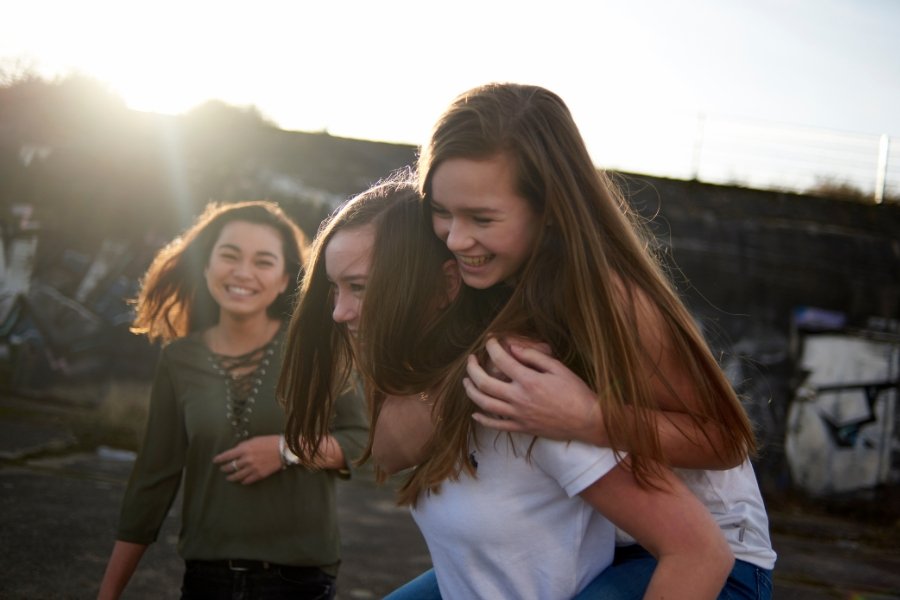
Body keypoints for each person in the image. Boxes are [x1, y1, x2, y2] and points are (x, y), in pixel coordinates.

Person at [378, 82, 776, 599]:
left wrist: (590, 418)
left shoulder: (616, 302)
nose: (455, 238)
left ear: (549, 210)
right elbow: (389, 451)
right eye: (442, 211)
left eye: (482, 218)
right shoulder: (475, 279)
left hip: (705, 556)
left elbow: (724, 440)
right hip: (582, 536)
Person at [280, 173, 734, 600]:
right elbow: (387, 449)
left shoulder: (529, 391)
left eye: (358, 287)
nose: (339, 312)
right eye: (334, 289)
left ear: (446, 285)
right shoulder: (437, 382)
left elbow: (699, 550)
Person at [97, 201, 368, 600]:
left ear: (284, 279)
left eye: (263, 261)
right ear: (206, 266)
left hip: (298, 582)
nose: (243, 272)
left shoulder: (315, 348)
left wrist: (285, 450)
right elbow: (152, 480)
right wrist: (108, 592)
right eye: (229, 256)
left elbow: (362, 441)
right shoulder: (179, 359)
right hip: (207, 581)